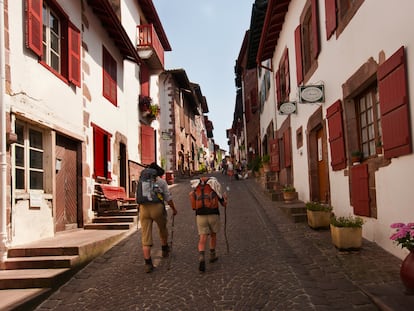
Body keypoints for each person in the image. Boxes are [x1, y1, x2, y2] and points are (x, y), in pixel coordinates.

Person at [139, 162, 177, 273]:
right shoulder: (161, 181)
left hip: (144, 208)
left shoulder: (142, 180)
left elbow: (140, 195)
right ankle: (165, 249)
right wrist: (174, 209)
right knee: (162, 228)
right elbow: (167, 197)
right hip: (157, 208)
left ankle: (147, 263)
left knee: (146, 235)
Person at [190, 176, 227, 272]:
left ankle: (202, 256)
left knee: (202, 238)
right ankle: (212, 255)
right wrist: (225, 198)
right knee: (213, 235)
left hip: (200, 216)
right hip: (213, 214)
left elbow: (193, 205)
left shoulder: (196, 188)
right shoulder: (214, 187)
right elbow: (224, 204)